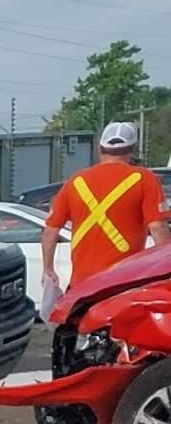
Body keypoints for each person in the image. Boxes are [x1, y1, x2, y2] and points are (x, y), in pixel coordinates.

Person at [43, 122, 169, 311]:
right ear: (132, 149)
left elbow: (50, 232)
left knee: (81, 333)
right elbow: (158, 228)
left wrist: (48, 268)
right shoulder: (144, 179)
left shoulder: (76, 181)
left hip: (83, 284)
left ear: (100, 149)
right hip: (125, 281)